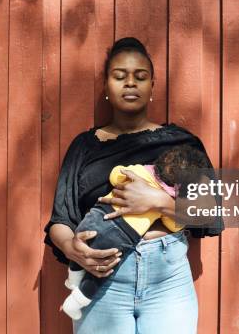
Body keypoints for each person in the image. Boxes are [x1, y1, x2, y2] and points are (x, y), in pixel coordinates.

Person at [43, 37, 223, 334]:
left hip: (167, 282)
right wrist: (73, 250)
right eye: (119, 76)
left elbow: (210, 211)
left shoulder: (181, 144)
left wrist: (157, 202)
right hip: (101, 281)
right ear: (106, 87)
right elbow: (60, 221)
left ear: (152, 87)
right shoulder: (85, 147)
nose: (130, 83)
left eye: (140, 77)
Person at [61, 144, 211, 320]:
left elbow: (116, 174)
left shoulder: (140, 172)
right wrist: (165, 203)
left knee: (91, 252)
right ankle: (77, 301)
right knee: (100, 273)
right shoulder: (171, 193)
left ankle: (73, 280)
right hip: (121, 239)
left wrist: (159, 200)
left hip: (98, 218)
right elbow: (174, 225)